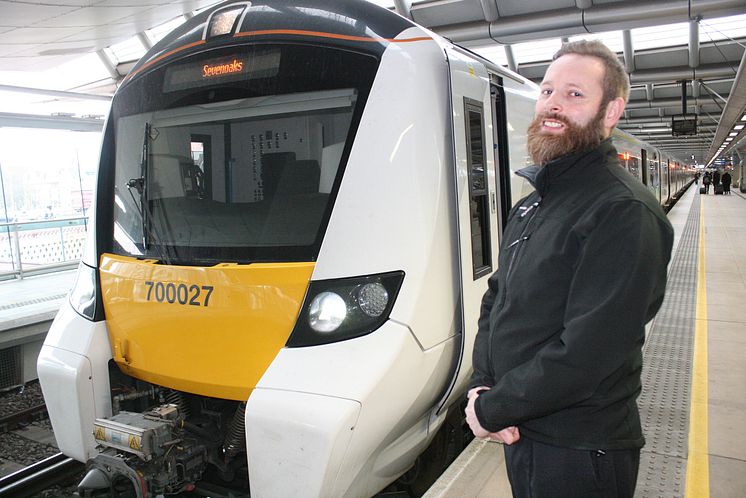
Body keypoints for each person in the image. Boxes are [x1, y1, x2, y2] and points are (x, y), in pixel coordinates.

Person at [465, 40, 674, 498]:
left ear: (611, 111)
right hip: (525, 431)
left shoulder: (622, 211)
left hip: (581, 448)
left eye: (574, 94)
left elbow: (590, 352)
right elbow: (497, 300)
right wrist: (482, 386)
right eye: (547, 91)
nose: (553, 104)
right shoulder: (532, 205)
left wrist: (493, 408)